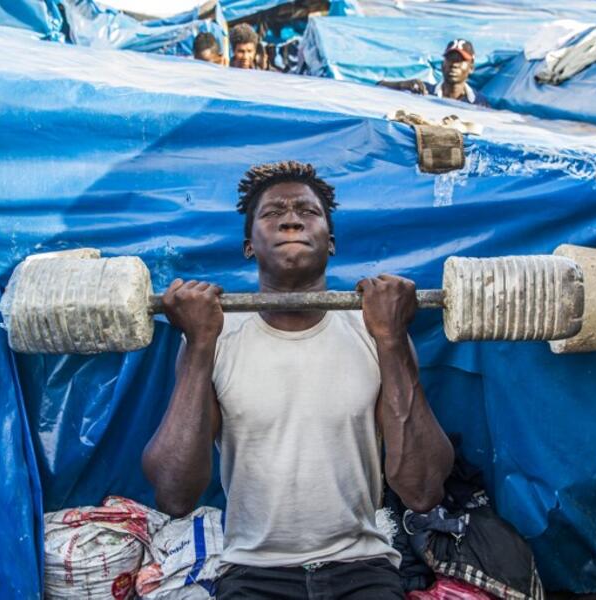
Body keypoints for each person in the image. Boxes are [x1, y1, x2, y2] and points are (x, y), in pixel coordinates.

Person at [142, 161, 454, 599]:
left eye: (308, 211)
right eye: (273, 213)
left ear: (331, 242)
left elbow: (422, 490)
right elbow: (174, 496)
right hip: (252, 572)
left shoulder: (373, 331)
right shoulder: (217, 337)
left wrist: (392, 339)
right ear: (249, 246)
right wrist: (197, 346)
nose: (291, 218)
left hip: (363, 566)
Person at [378, 39, 489, 106]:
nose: (454, 64)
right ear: (442, 64)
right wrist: (401, 85)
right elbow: (378, 88)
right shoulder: (423, 91)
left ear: (471, 68)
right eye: (450, 59)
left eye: (460, 60)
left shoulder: (479, 102)